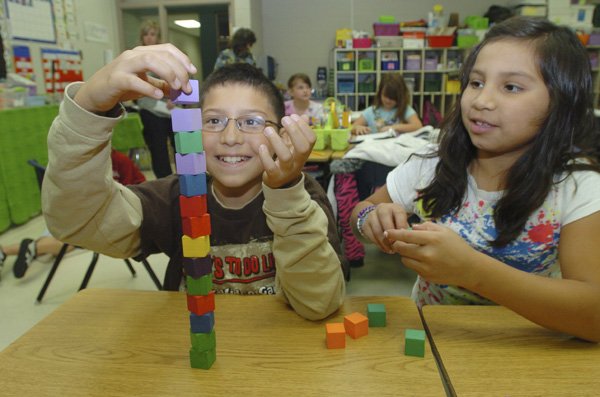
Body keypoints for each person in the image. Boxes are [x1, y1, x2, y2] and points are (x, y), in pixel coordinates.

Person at [41, 44, 348, 321]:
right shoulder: (175, 196)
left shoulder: (303, 196)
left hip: (279, 356)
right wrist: (87, 110)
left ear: (282, 135)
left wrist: (285, 193)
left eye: (251, 121)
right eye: (213, 121)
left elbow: (319, 303)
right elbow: (77, 222)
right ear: (193, 131)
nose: (230, 138)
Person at [350, 16, 600, 342]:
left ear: (560, 103)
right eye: (476, 82)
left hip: (527, 350)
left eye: (511, 87)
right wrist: (370, 218)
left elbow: (593, 316)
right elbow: (361, 210)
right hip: (433, 340)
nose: (481, 101)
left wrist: (473, 271)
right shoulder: (433, 164)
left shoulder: (577, 186)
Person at [0, 149, 145, 280]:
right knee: (65, 244)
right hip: (85, 218)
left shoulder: (119, 160)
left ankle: (11, 249)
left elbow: (135, 193)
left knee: (59, 245)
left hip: (109, 216)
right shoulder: (84, 164)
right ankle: (26, 248)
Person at [136, 20, 176, 178]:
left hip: (171, 109)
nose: (149, 38)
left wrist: (175, 98)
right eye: (146, 34)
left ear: (158, 37)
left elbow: (178, 78)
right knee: (158, 149)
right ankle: (164, 182)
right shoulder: (136, 57)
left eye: (152, 34)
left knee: (181, 147)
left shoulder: (167, 56)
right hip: (150, 110)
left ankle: (184, 180)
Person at [351, 73, 422, 135]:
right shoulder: (371, 111)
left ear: (400, 96)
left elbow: (418, 126)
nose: (388, 100)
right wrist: (357, 128)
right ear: (380, 93)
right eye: (385, 96)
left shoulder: (405, 110)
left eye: (392, 97)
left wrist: (393, 127)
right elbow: (353, 127)